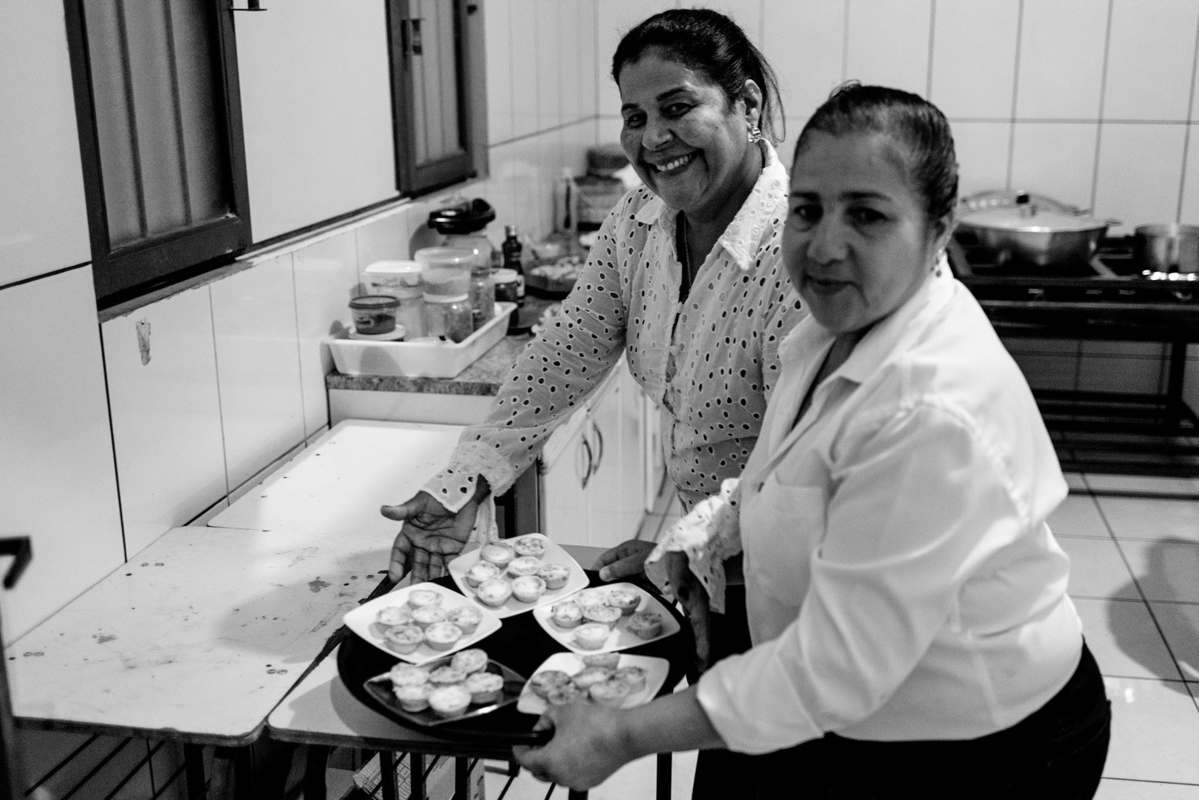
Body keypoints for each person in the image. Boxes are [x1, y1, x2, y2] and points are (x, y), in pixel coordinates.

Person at [512, 83, 1112, 799]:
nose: (825, 246)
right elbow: (782, 477)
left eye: (866, 214)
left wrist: (619, 735)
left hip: (979, 743)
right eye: (808, 210)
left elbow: (835, 669)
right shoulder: (831, 330)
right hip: (859, 709)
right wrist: (697, 545)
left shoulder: (930, 408)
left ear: (940, 226)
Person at [382, 9, 802, 661]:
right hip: (708, 566)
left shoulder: (799, 255)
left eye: (677, 107)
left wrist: (683, 549)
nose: (655, 137)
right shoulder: (639, 223)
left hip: (788, 577)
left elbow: (797, 465)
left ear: (746, 106)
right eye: (635, 117)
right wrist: (469, 479)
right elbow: (564, 352)